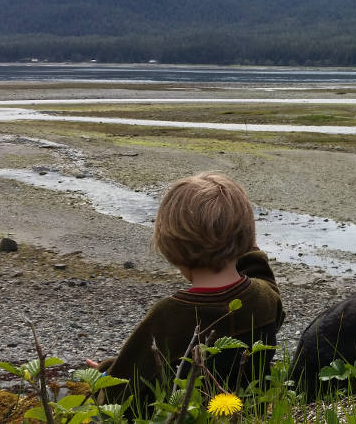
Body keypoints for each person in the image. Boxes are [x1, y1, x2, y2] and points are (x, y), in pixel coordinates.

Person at [87, 172, 285, 404]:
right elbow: (263, 278)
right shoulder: (264, 299)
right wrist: (243, 241)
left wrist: (103, 372)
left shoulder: (167, 316)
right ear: (247, 239)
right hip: (248, 411)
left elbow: (118, 392)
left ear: (168, 246)